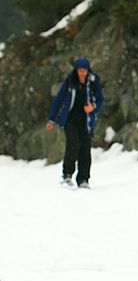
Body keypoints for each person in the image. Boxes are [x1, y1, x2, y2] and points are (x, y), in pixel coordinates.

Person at [46, 57, 104, 188]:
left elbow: (100, 99)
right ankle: (67, 175)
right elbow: (59, 100)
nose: (82, 73)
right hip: (70, 119)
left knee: (85, 149)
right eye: (80, 70)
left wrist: (93, 108)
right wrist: (52, 119)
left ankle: (83, 179)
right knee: (73, 144)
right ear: (76, 70)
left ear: (88, 70)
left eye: (84, 70)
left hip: (86, 120)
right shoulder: (70, 82)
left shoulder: (94, 81)